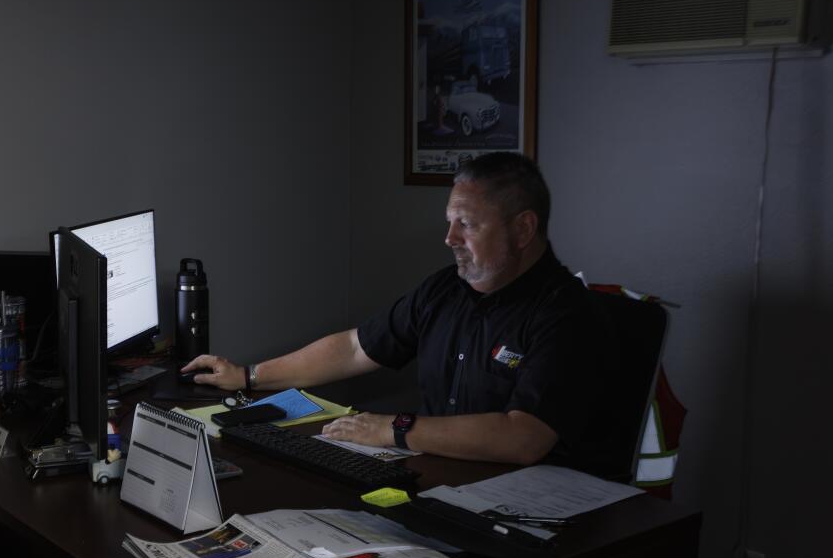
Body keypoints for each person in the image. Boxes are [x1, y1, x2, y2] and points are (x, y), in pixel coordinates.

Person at [183, 152, 608, 471]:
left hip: (532, 513)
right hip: (445, 477)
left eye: (467, 224)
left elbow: (524, 437)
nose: (449, 238)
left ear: (523, 229)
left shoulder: (567, 313)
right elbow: (354, 348)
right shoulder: (446, 290)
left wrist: (396, 428)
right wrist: (248, 376)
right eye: (450, 221)